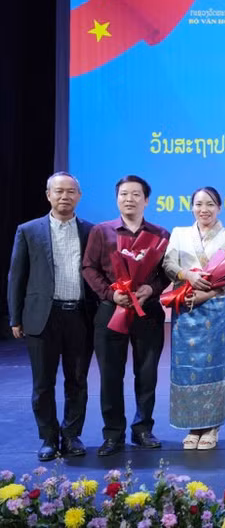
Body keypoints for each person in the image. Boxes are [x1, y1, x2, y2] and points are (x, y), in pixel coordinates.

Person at [7, 172, 96, 461]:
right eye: (59, 191)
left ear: (79, 196)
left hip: (80, 316)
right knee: (43, 383)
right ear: (48, 195)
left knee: (77, 380)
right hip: (42, 317)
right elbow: (16, 277)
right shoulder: (29, 231)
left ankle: (71, 436)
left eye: (71, 192)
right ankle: (48, 438)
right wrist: (15, 317)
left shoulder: (91, 232)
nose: (64, 197)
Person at [82, 175, 170, 456]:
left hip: (147, 312)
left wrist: (150, 288)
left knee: (146, 374)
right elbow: (89, 268)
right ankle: (113, 434)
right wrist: (110, 294)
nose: (129, 199)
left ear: (146, 200)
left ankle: (143, 429)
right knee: (110, 375)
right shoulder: (101, 231)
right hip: (111, 312)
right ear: (116, 198)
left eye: (135, 194)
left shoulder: (160, 234)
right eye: (123, 194)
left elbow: (165, 273)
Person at [162, 187, 225, 450]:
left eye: (210, 204)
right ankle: (192, 426)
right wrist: (188, 276)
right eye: (198, 204)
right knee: (188, 368)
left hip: (214, 308)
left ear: (219, 207)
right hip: (184, 307)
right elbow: (168, 265)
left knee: (213, 365)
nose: (203, 209)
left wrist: (205, 295)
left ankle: (212, 426)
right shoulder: (180, 233)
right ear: (191, 207)